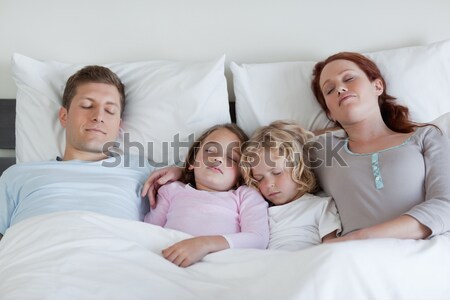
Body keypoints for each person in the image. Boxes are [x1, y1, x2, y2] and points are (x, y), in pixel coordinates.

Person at [0, 65, 179, 241]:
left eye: (110, 110)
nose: (98, 116)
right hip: (35, 257)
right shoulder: (18, 175)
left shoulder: (142, 170)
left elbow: (195, 204)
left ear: (118, 126)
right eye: (86, 105)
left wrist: (182, 173)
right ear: (64, 116)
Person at [310, 52, 450, 242]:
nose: (340, 89)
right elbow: (267, 156)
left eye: (349, 78)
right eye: (329, 90)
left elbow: (446, 205)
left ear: (377, 86)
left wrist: (359, 237)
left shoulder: (425, 137)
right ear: (330, 112)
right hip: (353, 263)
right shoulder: (325, 151)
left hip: (420, 256)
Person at [144, 124, 270, 267]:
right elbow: (148, 232)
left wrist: (204, 244)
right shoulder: (171, 190)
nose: (218, 158)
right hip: (170, 263)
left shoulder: (245, 196)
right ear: (192, 162)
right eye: (210, 150)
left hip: (222, 267)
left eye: (232, 158)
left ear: (240, 176)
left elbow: (258, 239)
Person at [240, 120, 341, 251]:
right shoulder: (258, 211)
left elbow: (333, 250)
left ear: (300, 167)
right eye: (259, 179)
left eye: (277, 172)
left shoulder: (321, 206)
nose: (268, 184)